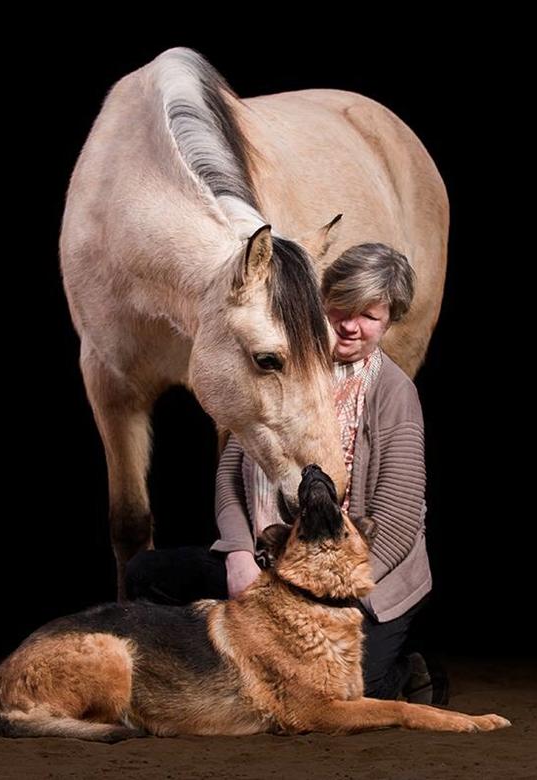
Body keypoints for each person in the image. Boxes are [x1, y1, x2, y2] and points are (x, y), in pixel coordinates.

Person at [126, 242, 440, 703]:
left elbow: (398, 522)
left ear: (389, 322)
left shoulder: (395, 394)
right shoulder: (286, 364)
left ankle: (407, 672)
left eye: (370, 316)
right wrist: (237, 555)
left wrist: (311, 589)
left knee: (348, 693)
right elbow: (231, 476)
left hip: (351, 578)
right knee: (146, 574)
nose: (351, 326)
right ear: (320, 304)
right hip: (271, 560)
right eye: (341, 308)